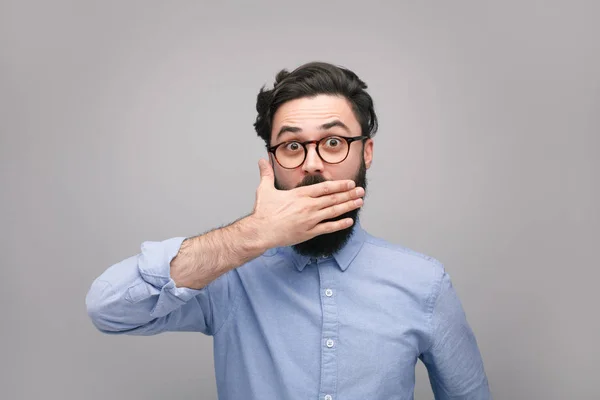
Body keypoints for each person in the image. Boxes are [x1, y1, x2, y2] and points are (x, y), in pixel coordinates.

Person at [86, 61, 491, 399]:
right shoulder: (229, 277)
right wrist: (251, 236)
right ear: (272, 162)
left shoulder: (424, 283)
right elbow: (109, 308)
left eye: (333, 142)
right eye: (293, 146)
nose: (313, 163)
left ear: (366, 151)